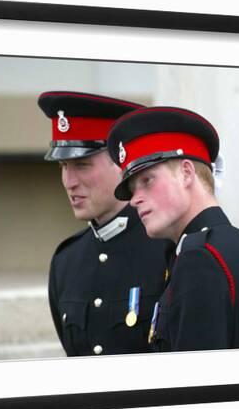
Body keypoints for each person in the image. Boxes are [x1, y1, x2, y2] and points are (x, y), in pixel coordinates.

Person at [107, 106, 239, 352]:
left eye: (147, 181)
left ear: (187, 173)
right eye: (132, 189)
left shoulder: (199, 259)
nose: (134, 200)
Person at [38, 91, 172, 356]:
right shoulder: (66, 261)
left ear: (123, 164)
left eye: (82, 165)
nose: (69, 181)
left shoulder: (168, 247)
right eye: (63, 166)